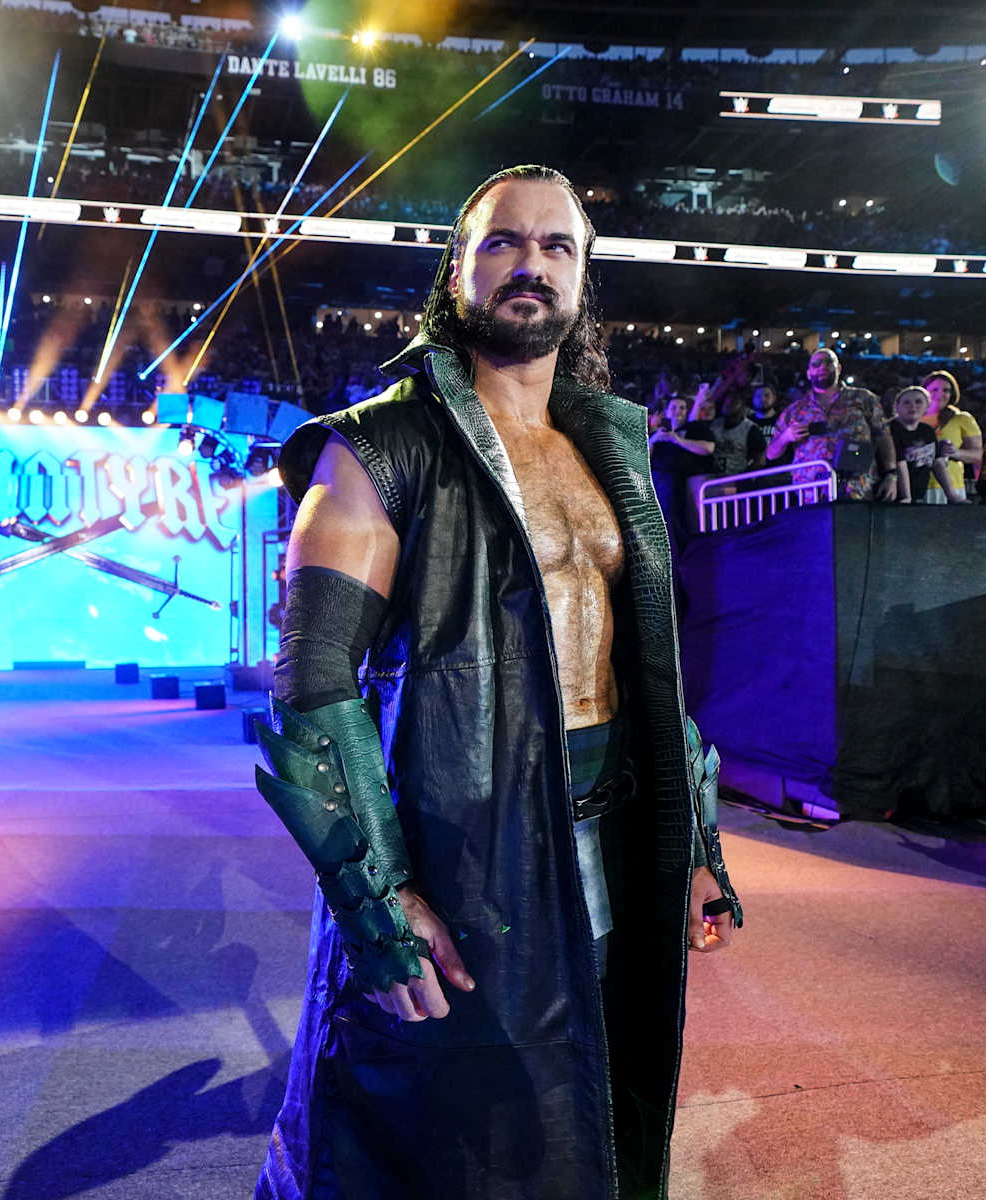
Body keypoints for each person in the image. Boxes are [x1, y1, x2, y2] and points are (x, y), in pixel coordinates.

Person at [255, 164, 742, 1200]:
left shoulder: (610, 445)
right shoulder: (378, 446)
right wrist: (377, 897)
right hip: (465, 845)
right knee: (438, 1133)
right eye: (504, 242)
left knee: (589, 1100)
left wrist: (690, 838)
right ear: (458, 268)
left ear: (584, 277)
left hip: (613, 835)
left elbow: (648, 660)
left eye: (557, 247)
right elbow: (311, 683)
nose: (532, 265)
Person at [765, 349, 897, 501]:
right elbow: (771, 453)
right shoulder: (795, 410)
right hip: (811, 491)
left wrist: (891, 475)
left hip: (857, 488)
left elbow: (884, 436)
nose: (822, 367)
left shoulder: (863, 399)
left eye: (828, 362)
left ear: (839, 368)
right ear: (808, 373)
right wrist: (786, 437)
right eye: (816, 364)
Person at [648, 393, 716, 549]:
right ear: (666, 412)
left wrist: (677, 440)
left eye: (682, 407)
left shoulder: (695, 427)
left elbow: (708, 448)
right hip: (658, 479)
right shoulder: (657, 433)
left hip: (687, 481)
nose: (678, 410)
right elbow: (643, 458)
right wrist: (653, 440)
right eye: (674, 407)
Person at [888, 386, 965, 503]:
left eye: (918, 402)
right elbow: (900, 464)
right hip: (893, 497)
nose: (912, 406)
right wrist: (906, 497)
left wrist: (952, 494)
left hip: (919, 495)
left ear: (927, 407)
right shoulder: (891, 429)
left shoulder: (927, 431)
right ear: (897, 407)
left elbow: (937, 462)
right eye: (906, 402)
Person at [919, 369, 982, 504]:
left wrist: (956, 452)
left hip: (951, 488)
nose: (940, 394)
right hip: (917, 486)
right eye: (934, 389)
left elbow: (978, 455)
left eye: (946, 390)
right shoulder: (913, 419)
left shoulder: (961, 418)